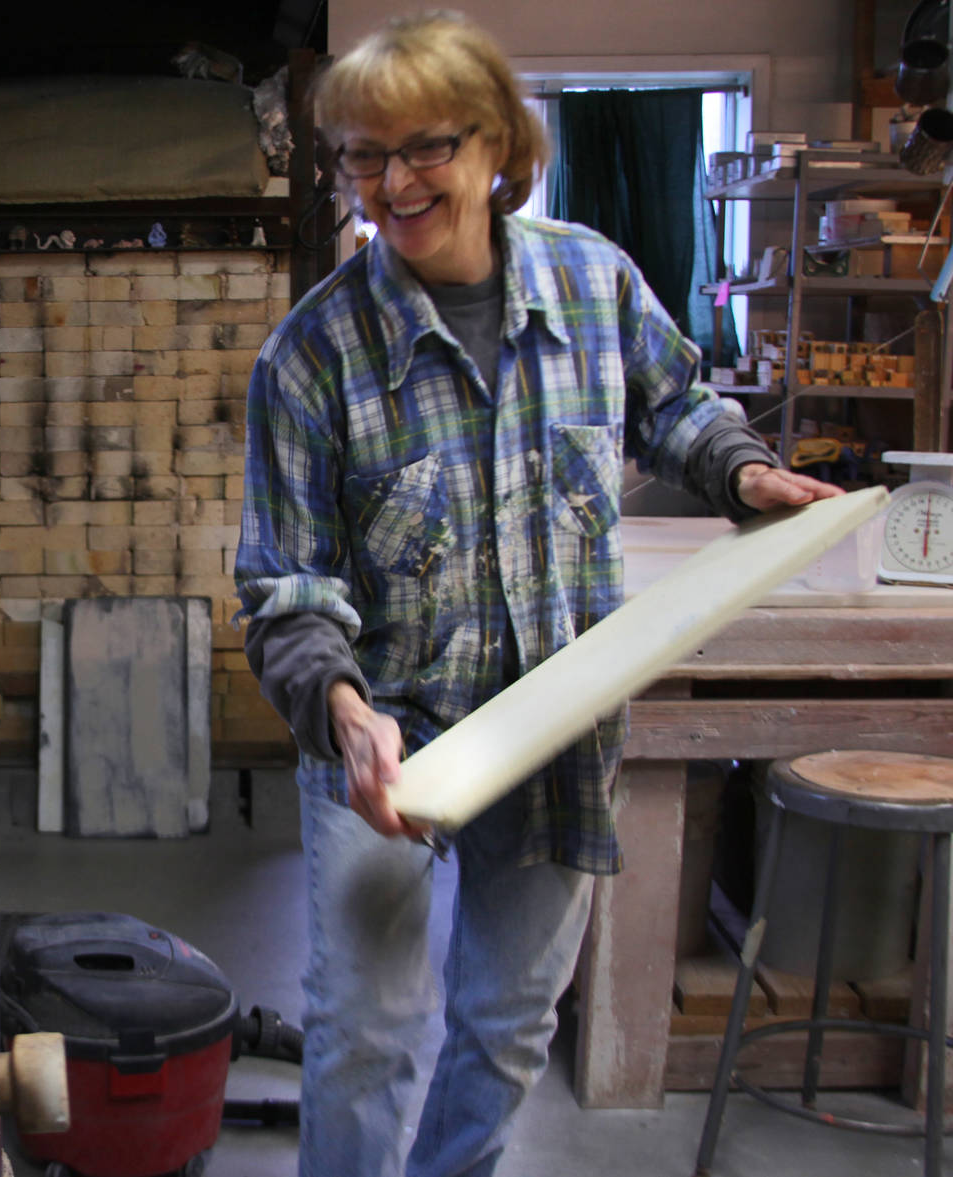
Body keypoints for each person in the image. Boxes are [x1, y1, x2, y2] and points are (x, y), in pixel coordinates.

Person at [232, 12, 839, 1177]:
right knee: (367, 1036)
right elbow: (287, 587)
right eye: (360, 155)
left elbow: (675, 406)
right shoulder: (308, 356)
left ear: (497, 145)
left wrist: (741, 468)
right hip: (388, 751)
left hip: (557, 727)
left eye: (421, 149)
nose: (388, 184)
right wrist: (345, 715)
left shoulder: (591, 279)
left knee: (507, 1026)